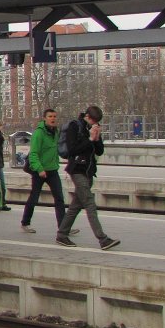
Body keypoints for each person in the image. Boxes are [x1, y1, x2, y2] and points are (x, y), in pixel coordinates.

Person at [56, 105, 120, 250]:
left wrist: (96, 139)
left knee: (76, 206)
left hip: (89, 171)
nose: (95, 124)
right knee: (90, 204)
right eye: (94, 121)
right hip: (77, 170)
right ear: (87, 117)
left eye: (97, 122)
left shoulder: (92, 128)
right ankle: (103, 239)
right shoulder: (74, 126)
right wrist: (90, 139)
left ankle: (62, 234)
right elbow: (72, 150)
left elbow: (100, 151)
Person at [20, 109, 72, 234]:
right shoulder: (39, 133)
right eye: (50, 116)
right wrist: (39, 169)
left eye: (54, 116)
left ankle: (63, 227)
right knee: (34, 197)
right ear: (44, 118)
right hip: (40, 171)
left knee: (59, 198)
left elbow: (59, 149)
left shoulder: (56, 132)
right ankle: (25, 222)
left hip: (52, 170)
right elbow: (33, 154)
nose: (53, 118)